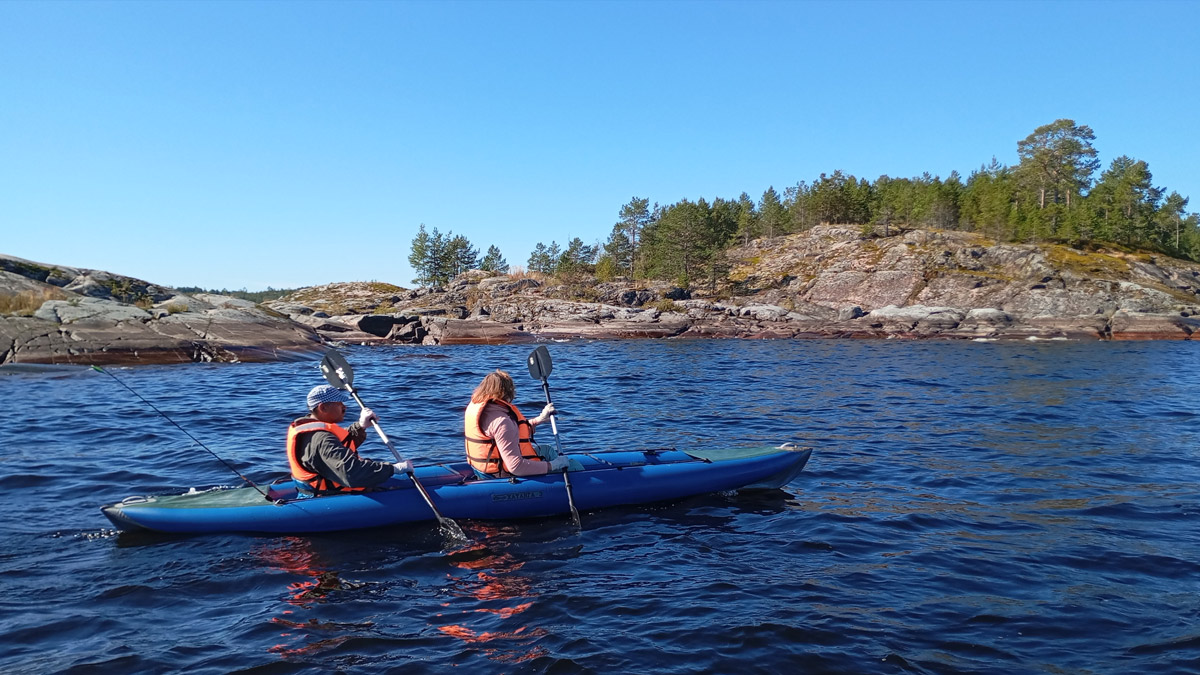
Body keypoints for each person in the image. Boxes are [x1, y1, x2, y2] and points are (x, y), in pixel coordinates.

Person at [286, 384, 409, 496]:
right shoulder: (322, 439)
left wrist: (361, 426)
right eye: (339, 403)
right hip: (330, 496)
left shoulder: (313, 431)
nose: (344, 407)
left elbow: (340, 445)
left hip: (318, 489)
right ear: (323, 408)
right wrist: (393, 469)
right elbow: (351, 473)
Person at [464, 369, 570, 478]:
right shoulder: (502, 422)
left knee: (547, 450)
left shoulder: (477, 408)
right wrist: (553, 465)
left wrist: (539, 419)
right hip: (501, 475)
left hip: (481, 470)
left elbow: (505, 435)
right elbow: (516, 467)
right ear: (507, 393)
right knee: (573, 467)